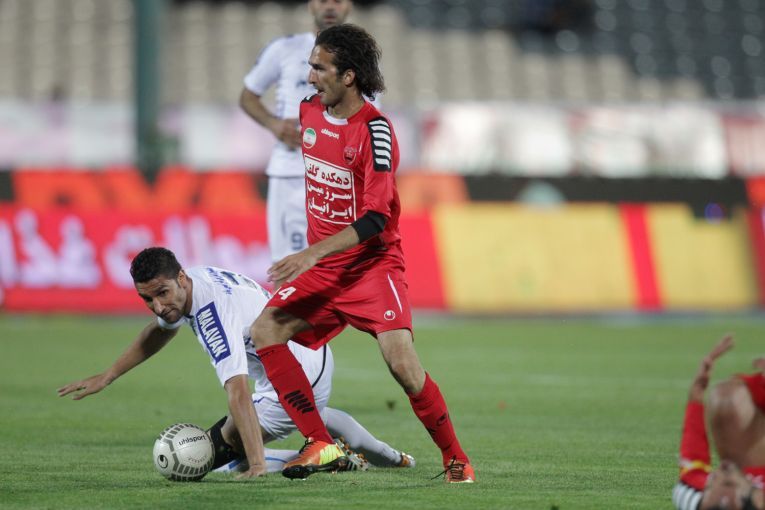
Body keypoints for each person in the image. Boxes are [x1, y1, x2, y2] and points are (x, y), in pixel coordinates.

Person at [248, 24, 475, 483]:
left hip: (371, 268)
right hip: (324, 269)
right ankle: (319, 443)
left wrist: (310, 253)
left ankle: (456, 459)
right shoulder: (308, 111)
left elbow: (374, 219)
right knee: (265, 331)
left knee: (403, 367)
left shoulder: (376, 131)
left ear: (348, 76)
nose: (310, 77)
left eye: (319, 68)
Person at [57, 247, 415, 479]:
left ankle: (331, 458)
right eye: (147, 299)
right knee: (257, 433)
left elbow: (238, 391)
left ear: (180, 279)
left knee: (212, 456)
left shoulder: (212, 315)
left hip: (295, 374)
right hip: (306, 357)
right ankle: (389, 456)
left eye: (161, 294)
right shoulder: (192, 280)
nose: (158, 306)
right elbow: (160, 330)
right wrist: (109, 375)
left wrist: (257, 464)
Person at [240, 0, 354, 263]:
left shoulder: (362, 55)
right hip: (291, 173)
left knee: (338, 266)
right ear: (311, 4)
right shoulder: (284, 49)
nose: (330, 7)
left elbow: (369, 114)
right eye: (323, 0)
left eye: (337, 1)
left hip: (339, 178)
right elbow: (248, 96)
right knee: (288, 265)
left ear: (348, 4)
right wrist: (274, 124)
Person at [672, 335, 765, 509]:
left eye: (712, 481)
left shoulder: (694, 498)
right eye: (729, 483)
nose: (722, 469)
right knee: (730, 399)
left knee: (724, 398)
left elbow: (693, 465)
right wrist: (760, 385)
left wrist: (696, 397)